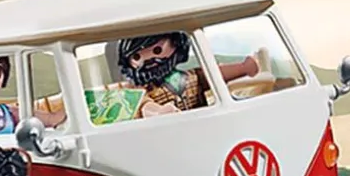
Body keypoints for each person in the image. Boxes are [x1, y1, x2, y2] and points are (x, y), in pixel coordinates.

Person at [111, 33, 259, 117]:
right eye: (137, 57)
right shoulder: (138, 90)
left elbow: (212, 75)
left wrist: (243, 68)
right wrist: (158, 112)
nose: (149, 60)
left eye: (157, 51)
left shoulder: (189, 77)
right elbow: (143, 104)